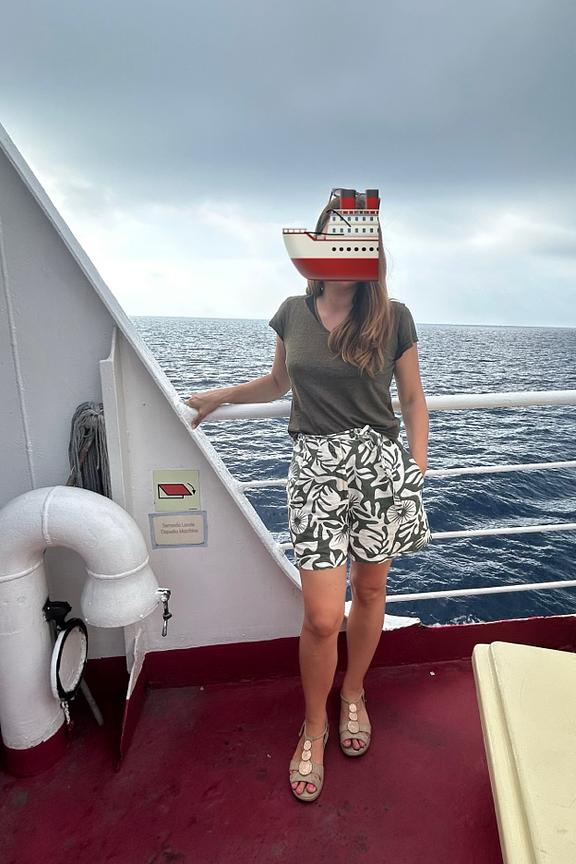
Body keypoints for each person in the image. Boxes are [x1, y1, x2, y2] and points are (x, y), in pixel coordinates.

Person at [184, 190, 432, 804]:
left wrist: (416, 467)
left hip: (378, 466)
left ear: (369, 250)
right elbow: (278, 382)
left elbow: (412, 398)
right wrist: (220, 395)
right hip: (316, 468)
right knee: (322, 616)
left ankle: (353, 694)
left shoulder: (393, 316)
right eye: (333, 236)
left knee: (370, 593)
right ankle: (314, 725)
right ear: (316, 243)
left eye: (355, 239)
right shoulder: (293, 312)